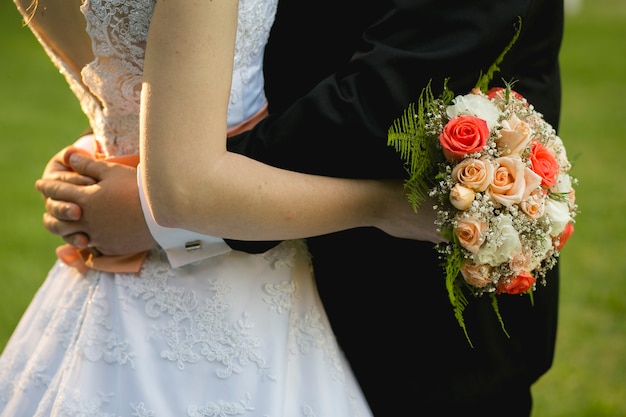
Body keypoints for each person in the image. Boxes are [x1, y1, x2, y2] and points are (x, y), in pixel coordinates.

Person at [30, 0, 565, 416]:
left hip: (413, 328)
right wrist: (147, 167)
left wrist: (150, 201)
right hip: (263, 292)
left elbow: (379, 105)